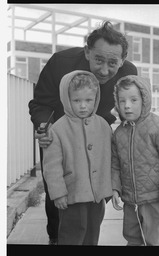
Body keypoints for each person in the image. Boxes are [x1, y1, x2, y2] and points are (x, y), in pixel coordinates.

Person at [28, 21, 137, 245]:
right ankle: (56, 237)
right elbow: (41, 103)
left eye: (112, 63)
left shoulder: (128, 73)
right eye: (98, 59)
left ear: (122, 61)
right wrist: (43, 126)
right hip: (60, 132)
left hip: (98, 131)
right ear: (87, 51)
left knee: (93, 194)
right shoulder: (60, 63)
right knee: (57, 189)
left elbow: (131, 108)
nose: (104, 70)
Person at [43, 70, 113, 245]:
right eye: (77, 101)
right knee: (71, 235)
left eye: (88, 100)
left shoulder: (103, 126)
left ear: (96, 99)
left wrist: (109, 187)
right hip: (71, 196)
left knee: (92, 234)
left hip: (97, 196)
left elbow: (110, 157)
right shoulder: (58, 130)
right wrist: (58, 193)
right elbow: (52, 166)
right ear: (67, 99)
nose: (83, 106)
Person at [111, 75, 159, 246]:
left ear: (145, 99)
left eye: (133, 100)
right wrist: (115, 189)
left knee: (153, 239)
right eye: (122, 101)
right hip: (130, 200)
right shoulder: (119, 133)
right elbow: (115, 165)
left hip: (155, 199)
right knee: (132, 237)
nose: (127, 105)